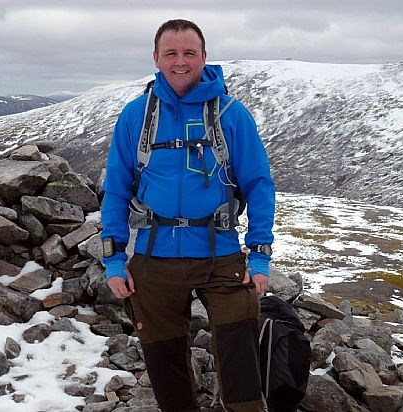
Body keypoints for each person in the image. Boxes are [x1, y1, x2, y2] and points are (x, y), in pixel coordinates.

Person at [101, 19, 275, 412]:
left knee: (241, 368)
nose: (180, 62)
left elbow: (259, 185)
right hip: (153, 260)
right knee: (167, 374)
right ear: (156, 58)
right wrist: (113, 259)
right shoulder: (136, 116)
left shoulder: (230, 114)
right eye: (171, 53)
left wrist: (260, 255)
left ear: (204, 57)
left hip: (222, 258)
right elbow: (116, 188)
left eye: (189, 53)